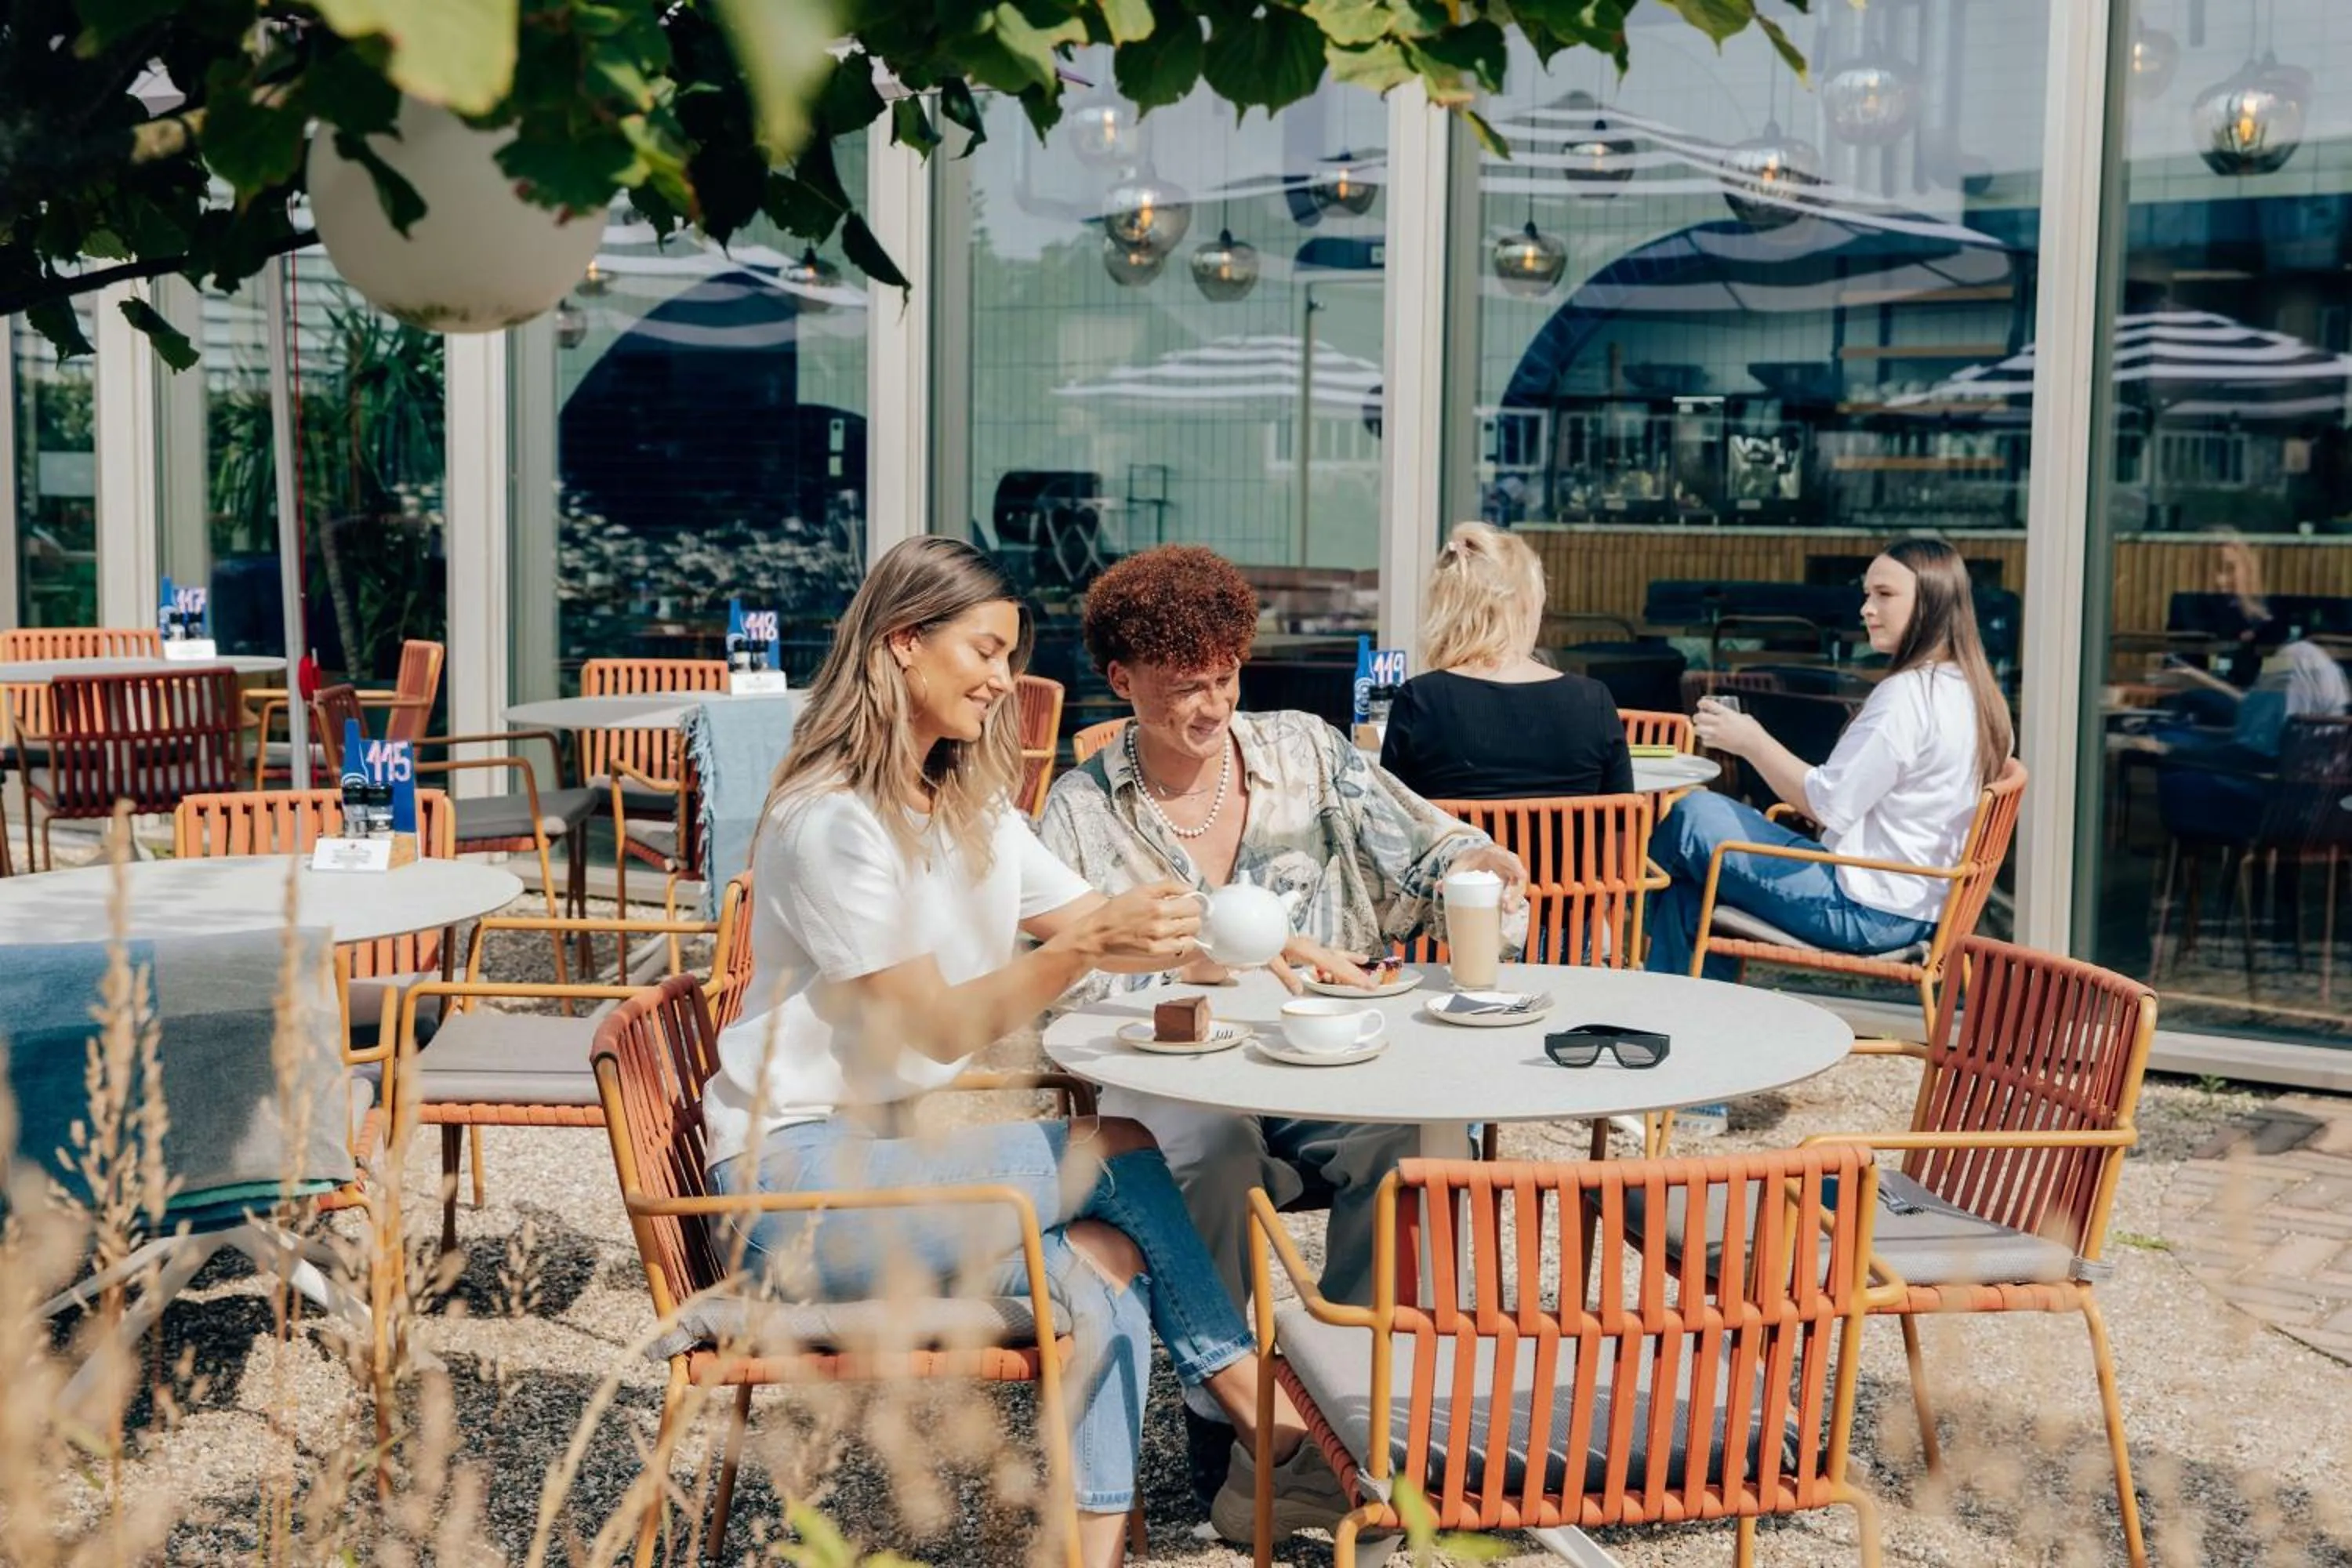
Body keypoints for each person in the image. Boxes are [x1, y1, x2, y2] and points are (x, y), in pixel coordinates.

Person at [705, 538, 1346, 1566]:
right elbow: (932, 1026)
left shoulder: (968, 808)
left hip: (891, 1172)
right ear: (903, 642)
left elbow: (1109, 925)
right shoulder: (831, 823)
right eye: (987, 651)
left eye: (1010, 656)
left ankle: (1095, 1552)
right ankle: (1260, 1406)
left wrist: (1263, 947)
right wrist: (1079, 952)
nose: (1006, 680)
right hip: (794, 1195)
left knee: (1104, 1258)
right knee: (1117, 1147)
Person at [1034, 543, 1526, 1524]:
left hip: (1323, 1061)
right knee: (1210, 1155)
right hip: (1177, 1077)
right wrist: (1191, 964)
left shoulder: (1306, 750)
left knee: (1416, 1143)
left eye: (1225, 678)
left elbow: (1426, 845)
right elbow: (1062, 988)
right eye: (1185, 686)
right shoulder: (1080, 809)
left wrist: (1478, 862)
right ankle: (1229, 1418)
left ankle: (1357, 1400)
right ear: (1122, 680)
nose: (1213, 705)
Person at [1646, 537, 2015, 983]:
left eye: (1885, 594)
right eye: (1867, 594)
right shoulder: (1977, 695)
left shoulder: (1908, 697)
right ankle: (1679, 1009)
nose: (1866, 609)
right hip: (1918, 903)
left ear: (1932, 604)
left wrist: (1751, 741)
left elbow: (1828, 805)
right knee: (1689, 894)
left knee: (1691, 814)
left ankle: (1610, 932)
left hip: (1865, 906)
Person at [1379, 521, 1633, 801]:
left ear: (1447, 610)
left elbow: (1390, 816)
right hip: (1568, 834)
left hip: (1452, 834)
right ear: (1528, 605)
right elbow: (1622, 816)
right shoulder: (1592, 701)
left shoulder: (1420, 700)